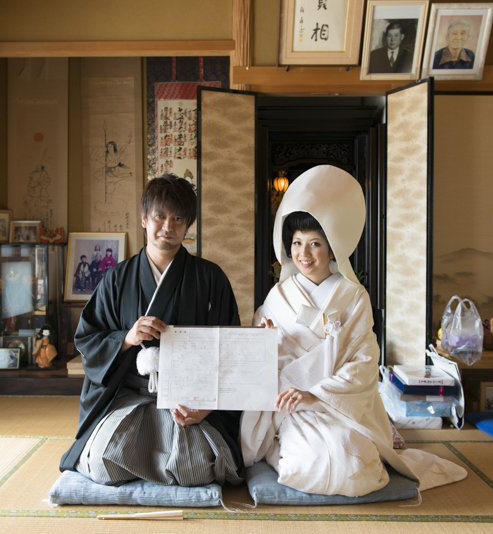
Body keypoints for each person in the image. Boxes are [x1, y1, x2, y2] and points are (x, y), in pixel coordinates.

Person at [242, 165, 467, 497]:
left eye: (315, 243)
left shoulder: (353, 295)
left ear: (332, 247)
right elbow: (257, 359)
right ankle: (280, 445)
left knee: (355, 463)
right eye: (297, 242)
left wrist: (316, 395)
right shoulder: (278, 296)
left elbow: (364, 362)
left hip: (338, 404)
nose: (304, 254)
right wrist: (265, 339)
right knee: (312, 464)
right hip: (291, 405)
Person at [59, 173, 243, 489]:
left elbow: (231, 349)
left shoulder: (210, 278)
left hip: (187, 399)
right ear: (144, 218)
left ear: (188, 225)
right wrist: (126, 338)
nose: (168, 226)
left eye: (178, 218)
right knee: (103, 463)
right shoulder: (117, 278)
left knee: (197, 469)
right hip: (128, 395)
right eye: (159, 216)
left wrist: (207, 405)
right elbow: (88, 338)